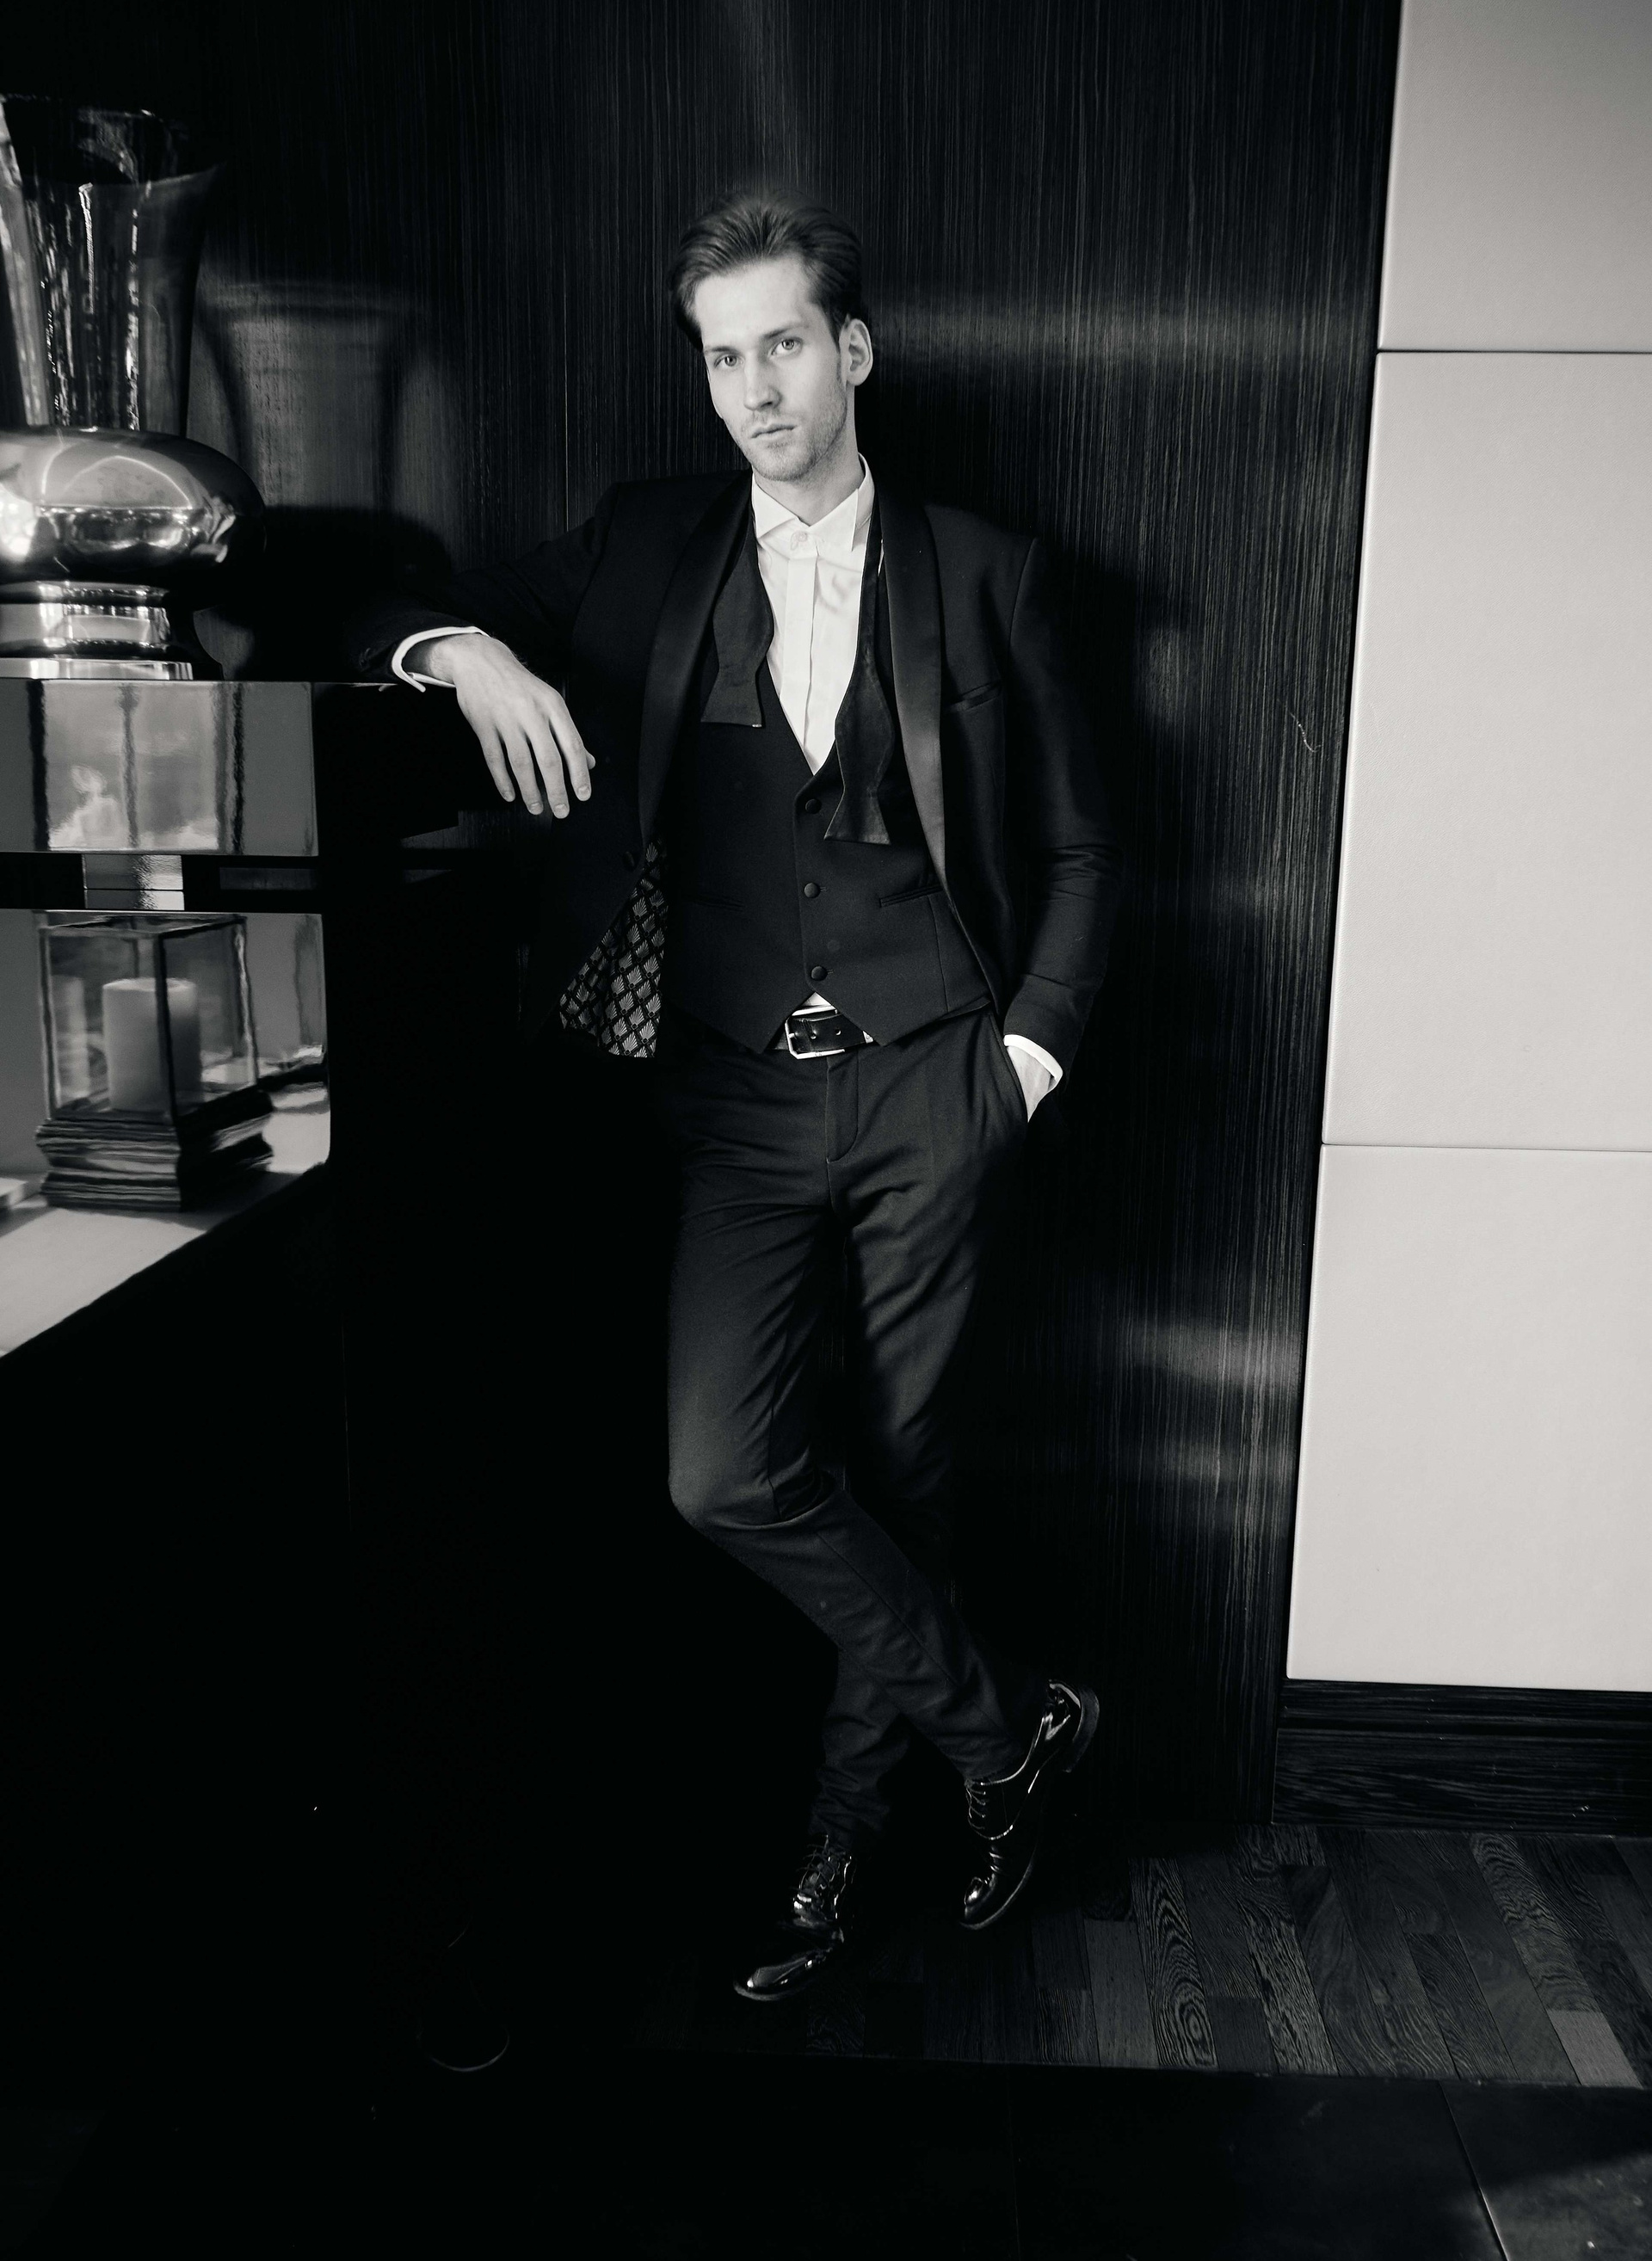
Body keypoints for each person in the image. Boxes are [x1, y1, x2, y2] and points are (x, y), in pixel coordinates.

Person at [347, 190, 1125, 2002]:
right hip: (734, 1099)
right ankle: (1013, 1730)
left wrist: (1023, 1060)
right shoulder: (642, 544)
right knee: (724, 1473)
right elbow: (380, 599)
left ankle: (839, 1858)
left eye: (783, 345)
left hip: (939, 1077)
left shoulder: (986, 570)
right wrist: (466, 656)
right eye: (722, 358)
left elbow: (1087, 849)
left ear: (853, 351)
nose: (755, 389)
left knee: (908, 1477)